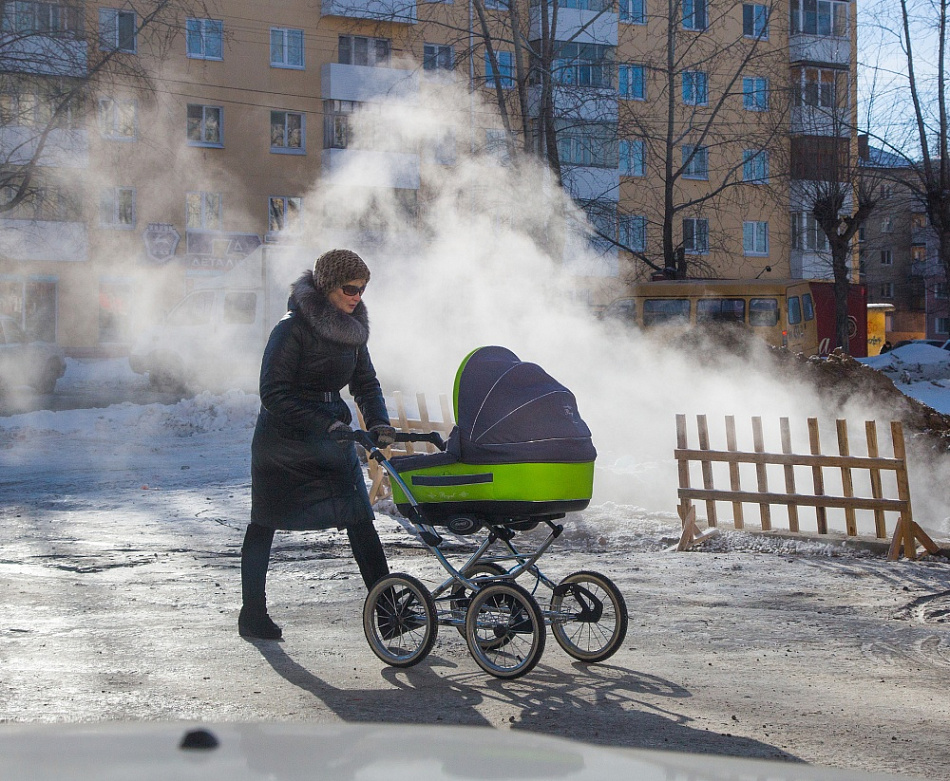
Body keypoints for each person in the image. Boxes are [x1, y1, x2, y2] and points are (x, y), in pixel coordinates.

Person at [239, 248, 397, 640]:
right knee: (265, 522)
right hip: (284, 442)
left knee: (360, 518)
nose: (357, 296)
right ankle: (252, 614)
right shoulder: (290, 328)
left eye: (362, 289)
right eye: (350, 288)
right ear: (327, 287)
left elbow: (365, 384)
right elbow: (272, 392)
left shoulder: (352, 330)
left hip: (332, 437)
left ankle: (391, 615)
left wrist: (378, 423)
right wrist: (324, 423)